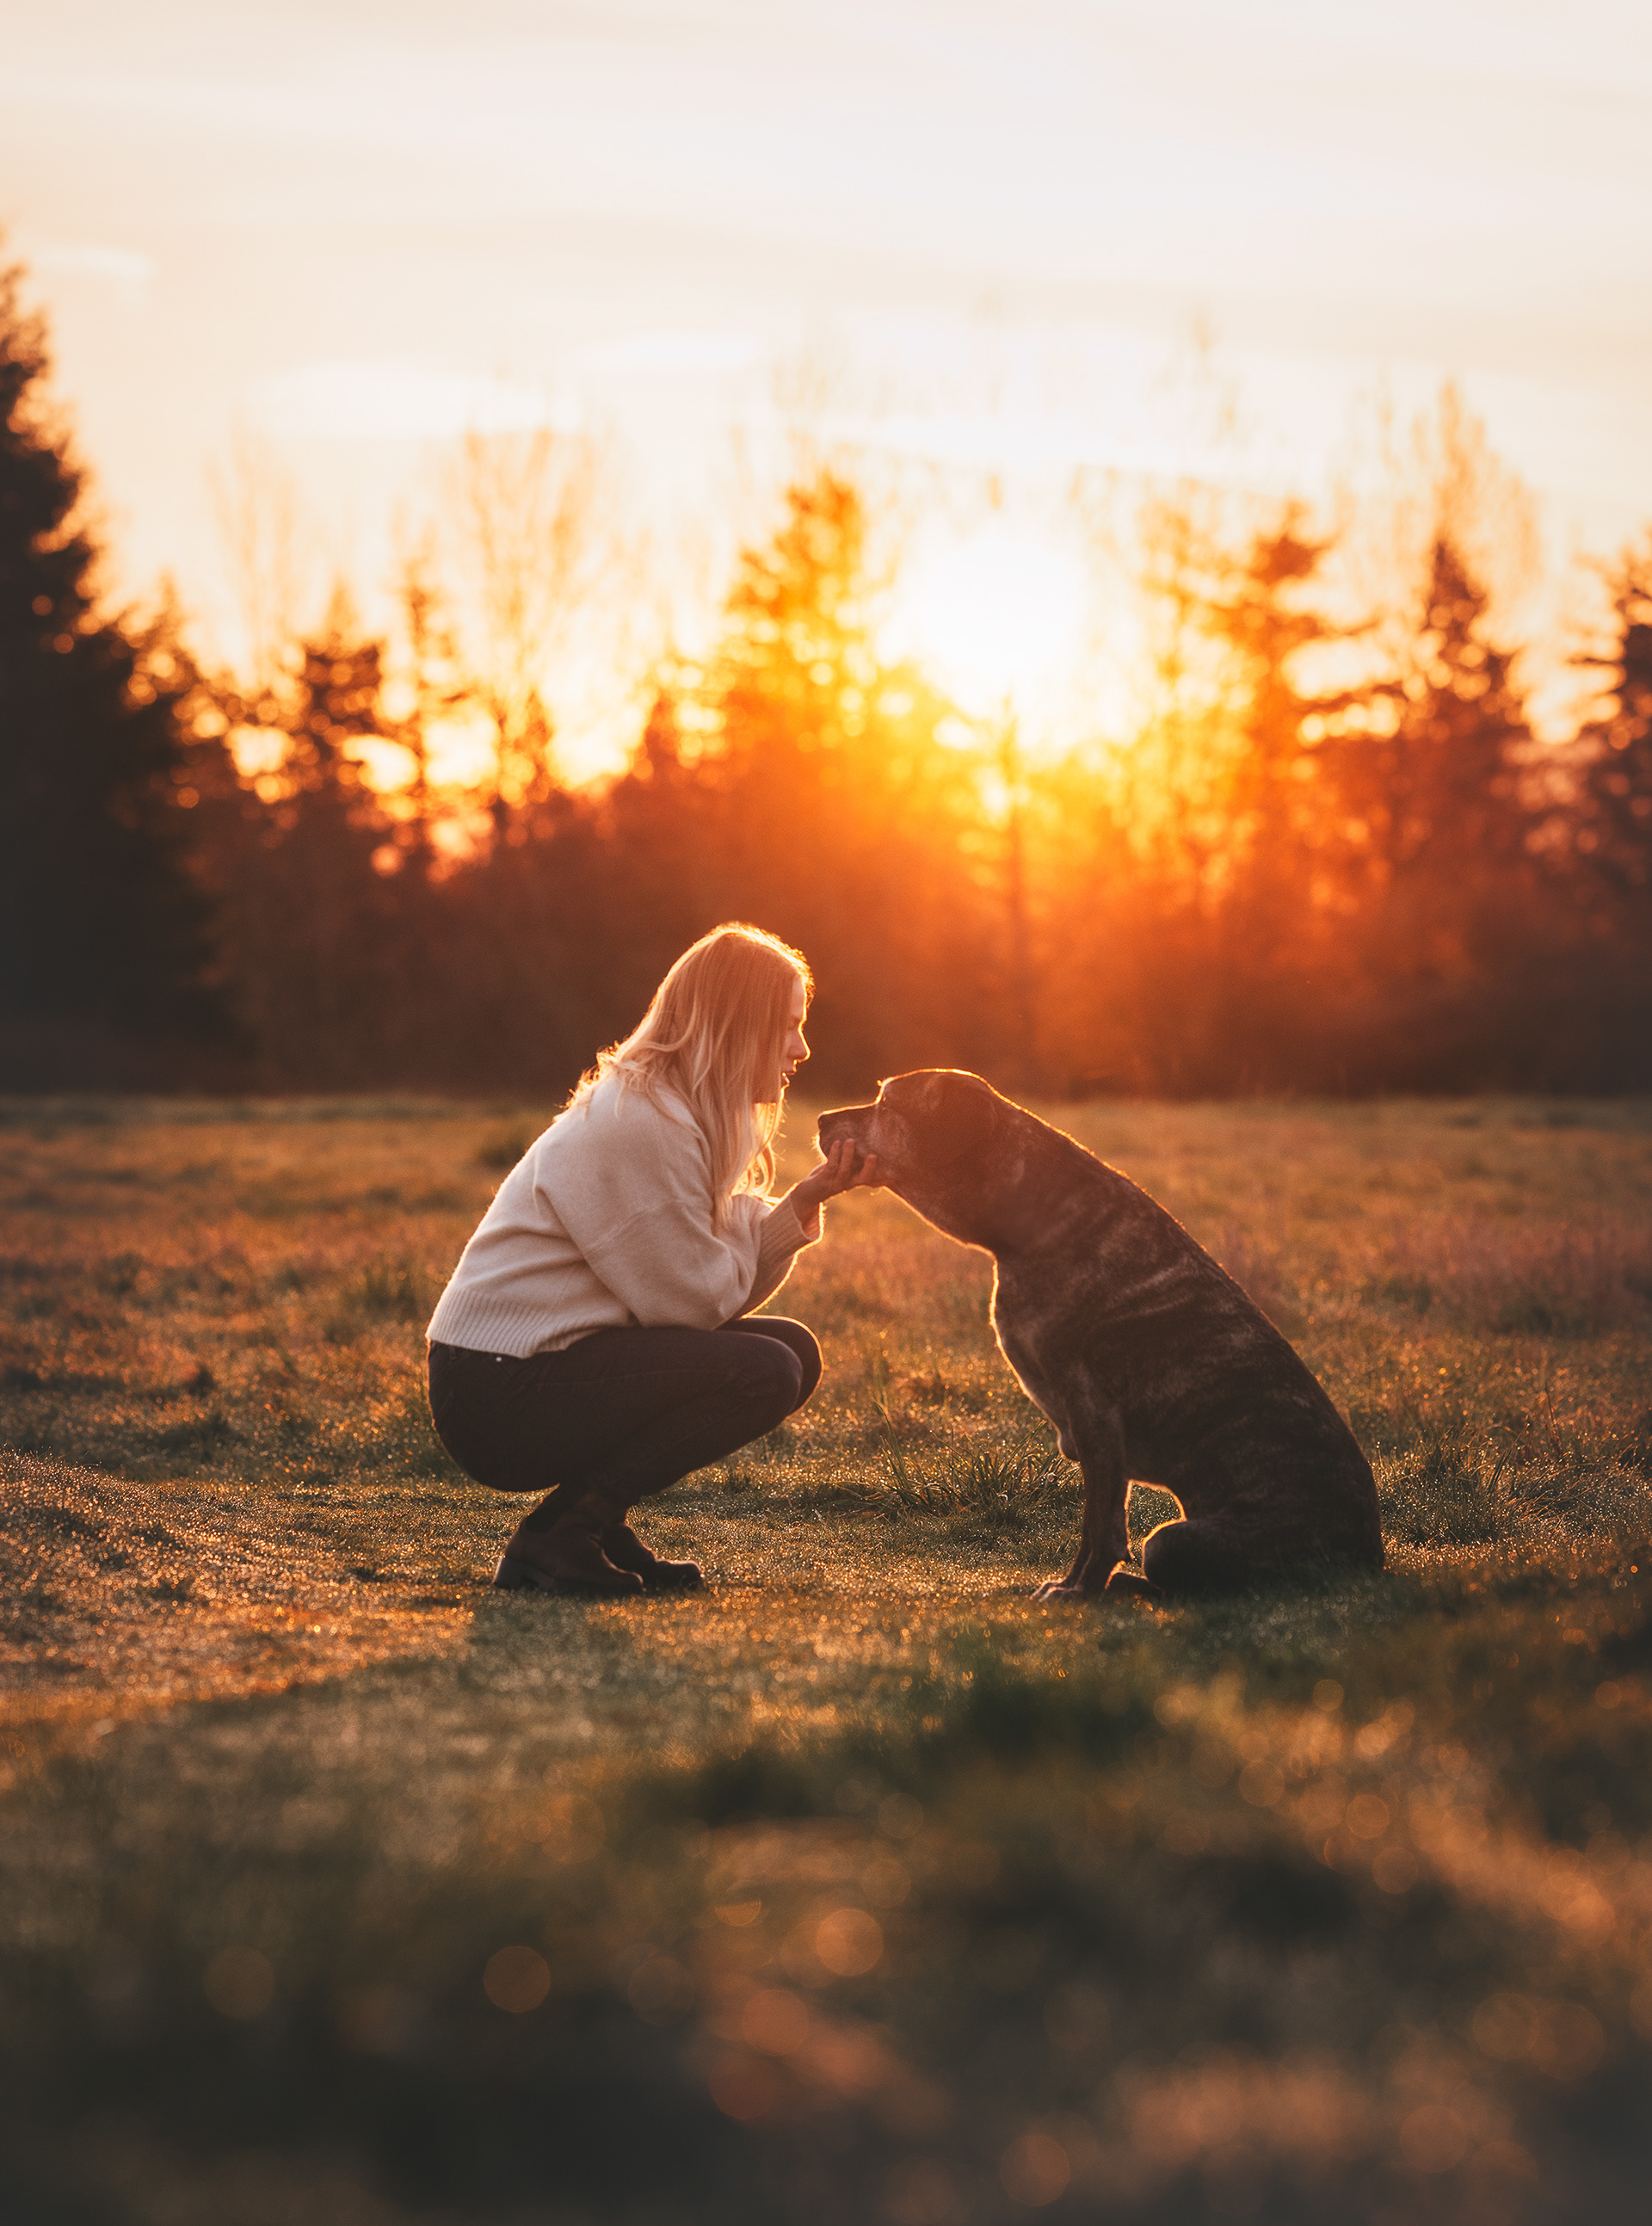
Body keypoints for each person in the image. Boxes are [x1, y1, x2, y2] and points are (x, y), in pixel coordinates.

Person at [426, 923, 878, 1595]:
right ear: (737, 1022)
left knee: (792, 1351)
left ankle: (592, 1524)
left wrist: (804, 1198)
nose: (802, 1047)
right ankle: (562, 1534)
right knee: (767, 1369)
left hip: (528, 1367)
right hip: (497, 1390)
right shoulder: (642, 1120)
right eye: (786, 1025)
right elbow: (694, 1302)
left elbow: (703, 1265)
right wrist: (773, 1224)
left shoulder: (671, 1108)